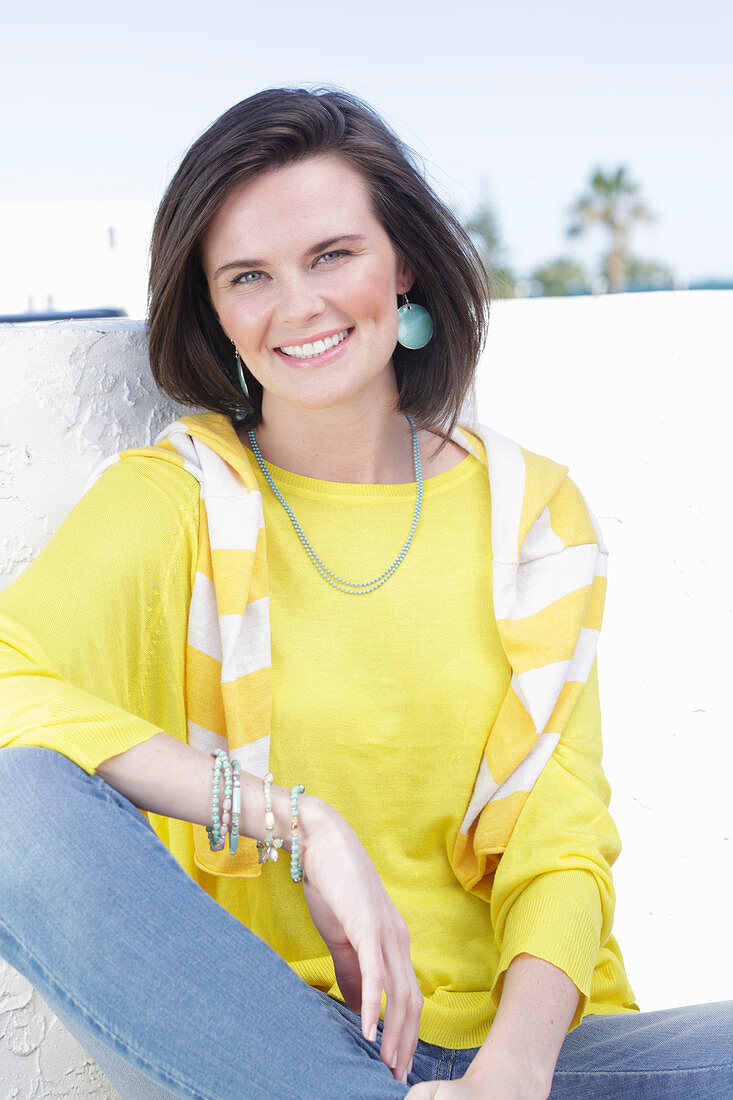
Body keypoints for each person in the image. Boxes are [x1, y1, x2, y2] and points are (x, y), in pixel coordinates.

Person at [0, 87, 730, 1100]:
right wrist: (293, 819)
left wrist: (508, 1076)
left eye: (331, 254)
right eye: (249, 274)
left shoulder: (532, 512)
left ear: (405, 261)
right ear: (212, 309)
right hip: (279, 1052)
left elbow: (558, 841)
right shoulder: (174, 503)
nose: (298, 305)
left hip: (534, 1063)